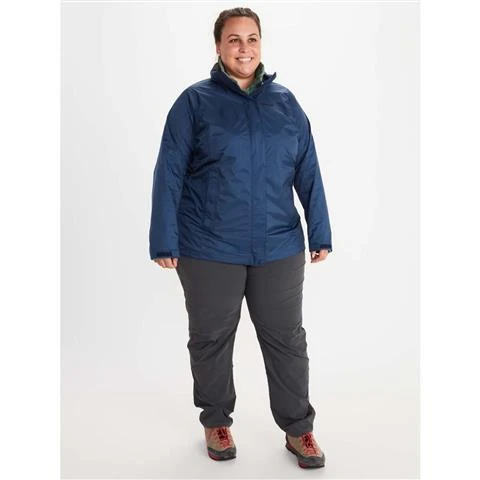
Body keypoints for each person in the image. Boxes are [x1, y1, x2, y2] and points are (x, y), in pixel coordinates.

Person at [149, 7, 332, 469]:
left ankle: (299, 429)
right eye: (234, 39)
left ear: (261, 44)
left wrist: (320, 230)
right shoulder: (194, 102)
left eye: (252, 39)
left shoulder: (286, 103)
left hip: (278, 245)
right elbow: (169, 171)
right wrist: (164, 239)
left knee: (287, 340)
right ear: (218, 46)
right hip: (209, 244)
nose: (244, 48)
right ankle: (216, 420)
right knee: (211, 338)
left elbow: (308, 168)